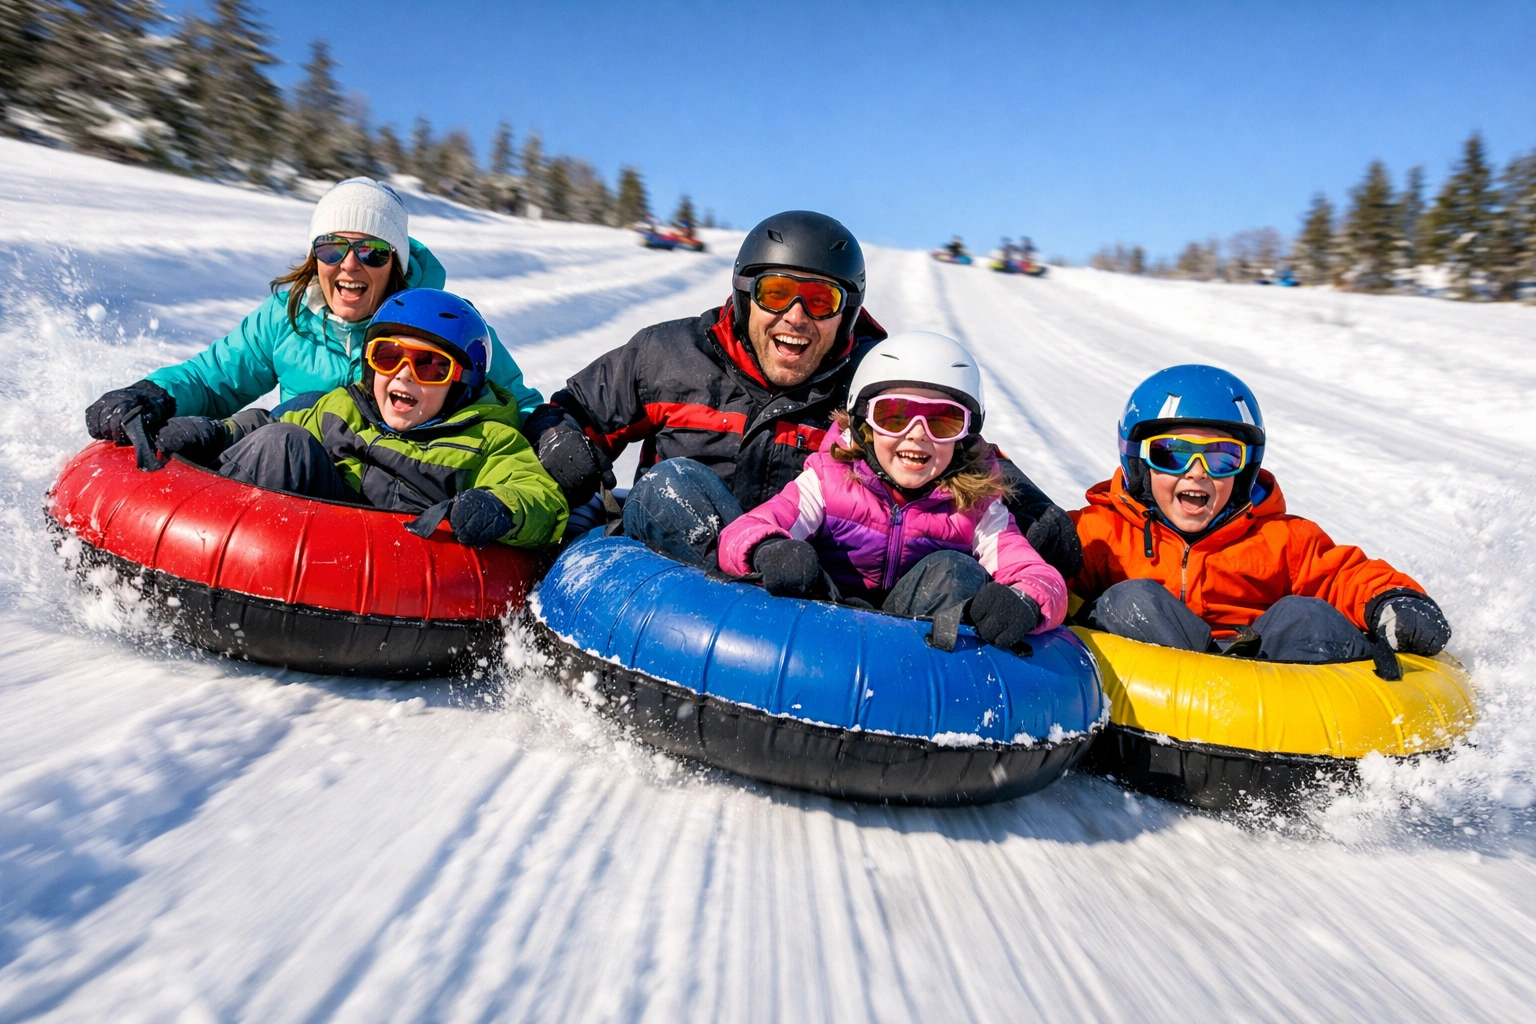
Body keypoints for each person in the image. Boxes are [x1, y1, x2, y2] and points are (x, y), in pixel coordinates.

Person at [522, 210, 1083, 576]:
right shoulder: (668, 356)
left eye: (819, 301)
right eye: (777, 293)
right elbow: (572, 412)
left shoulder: (872, 385)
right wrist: (558, 441)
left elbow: (960, 450)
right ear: (745, 296)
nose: (795, 316)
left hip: (794, 575)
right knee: (675, 486)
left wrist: (1036, 514)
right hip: (674, 562)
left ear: (849, 312)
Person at [84, 177, 542, 447]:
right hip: (299, 479)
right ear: (314, 256)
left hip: (403, 489)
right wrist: (154, 395)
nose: (349, 264)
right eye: (332, 248)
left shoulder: (444, 325)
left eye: (373, 252)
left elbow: (517, 406)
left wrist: (550, 438)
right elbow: (212, 378)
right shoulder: (287, 317)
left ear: (396, 266)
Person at [1069, 364, 1451, 663]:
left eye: (1222, 457)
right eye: (1172, 453)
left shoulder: (1281, 539)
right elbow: (1038, 560)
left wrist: (1394, 599)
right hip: (1144, 688)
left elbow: (1342, 575)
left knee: (1306, 616)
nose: (1198, 471)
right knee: (1135, 600)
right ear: (1139, 463)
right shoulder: (1102, 531)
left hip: (1261, 685)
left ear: (1244, 469)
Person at [716, 333, 1066, 649]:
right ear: (864, 423)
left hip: (914, 646)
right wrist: (770, 549)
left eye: (943, 421)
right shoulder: (827, 481)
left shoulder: (975, 507)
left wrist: (1025, 599)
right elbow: (747, 529)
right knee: (794, 563)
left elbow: (1037, 574)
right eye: (895, 417)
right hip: (822, 620)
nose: (917, 434)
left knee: (955, 570)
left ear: (965, 435)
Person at [151, 289, 567, 550]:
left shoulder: (487, 439)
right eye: (387, 357)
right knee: (282, 441)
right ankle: (189, 543)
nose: (403, 374)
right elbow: (265, 426)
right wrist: (215, 432)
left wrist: (498, 505)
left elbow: (539, 494)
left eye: (430, 366)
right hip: (307, 534)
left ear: (463, 381)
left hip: (404, 557)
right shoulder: (344, 408)